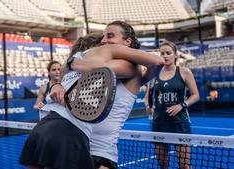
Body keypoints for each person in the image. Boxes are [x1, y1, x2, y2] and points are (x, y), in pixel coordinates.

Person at [19, 32, 163, 169]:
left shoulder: (128, 69)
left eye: (109, 37)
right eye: (102, 39)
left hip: (100, 149)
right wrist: (61, 77)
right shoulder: (85, 71)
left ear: (127, 42)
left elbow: (154, 64)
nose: (104, 41)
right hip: (73, 136)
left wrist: (71, 64)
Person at [151, 40, 199, 169]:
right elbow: (150, 95)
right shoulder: (154, 74)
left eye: (168, 53)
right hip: (159, 123)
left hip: (180, 123)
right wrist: (150, 104)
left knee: (184, 166)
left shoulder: (184, 72)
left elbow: (195, 95)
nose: (165, 56)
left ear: (175, 55)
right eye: (162, 53)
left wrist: (181, 105)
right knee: (163, 165)